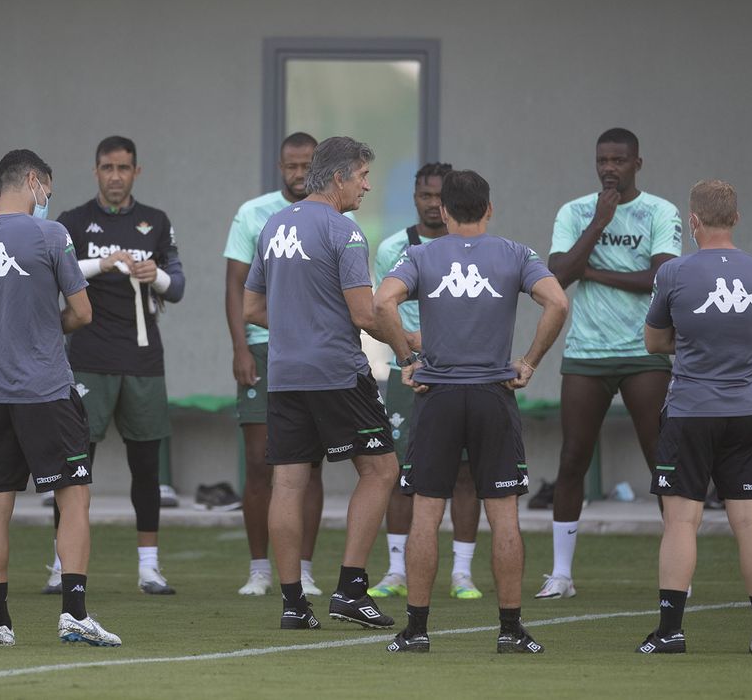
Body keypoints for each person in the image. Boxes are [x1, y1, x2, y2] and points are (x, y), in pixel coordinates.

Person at [373, 169, 568, 654]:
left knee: (425, 513)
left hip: (436, 396)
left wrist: (406, 359)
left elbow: (382, 301)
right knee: (503, 515)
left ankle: (416, 632)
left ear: (442, 211)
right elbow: (558, 303)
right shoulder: (516, 254)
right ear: (489, 209)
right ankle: (510, 630)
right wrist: (528, 362)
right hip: (491, 394)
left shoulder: (420, 254)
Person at [0, 148, 120, 648]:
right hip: (46, 389)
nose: (48, 198)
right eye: (47, 188)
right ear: (32, 180)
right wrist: (54, 325)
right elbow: (82, 312)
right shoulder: (52, 234)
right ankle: (73, 613)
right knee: (74, 497)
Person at [243, 135, 400, 631]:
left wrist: (297, 326)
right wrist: (408, 344)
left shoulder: (273, 226)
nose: (367, 186)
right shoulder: (345, 231)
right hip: (336, 372)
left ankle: (293, 605)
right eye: (363, 176)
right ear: (339, 178)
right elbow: (364, 313)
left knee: (287, 483)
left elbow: (250, 308)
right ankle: (352, 589)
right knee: (380, 471)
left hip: (285, 375)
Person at [637, 179, 752, 655]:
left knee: (681, 523)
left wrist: (692, 343)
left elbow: (655, 342)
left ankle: (671, 631)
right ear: (736, 218)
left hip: (691, 411)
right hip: (744, 411)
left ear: (692, 221)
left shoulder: (674, 273)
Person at [541, 127, 680, 600]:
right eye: (602, 160)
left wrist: (593, 271)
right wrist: (598, 224)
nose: (609, 168)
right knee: (572, 459)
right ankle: (561, 573)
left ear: (637, 163)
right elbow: (557, 275)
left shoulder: (659, 211)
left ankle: (676, 570)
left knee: (661, 459)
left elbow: (660, 276)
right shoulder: (576, 211)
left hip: (645, 351)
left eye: (619, 160)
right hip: (586, 353)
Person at [55, 136, 185, 595]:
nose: (115, 176)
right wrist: (103, 264)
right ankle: (60, 565)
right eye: (107, 167)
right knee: (74, 466)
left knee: (146, 467)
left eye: (123, 168)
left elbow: (179, 285)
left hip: (143, 360)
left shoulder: (156, 221)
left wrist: (157, 275)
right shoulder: (72, 221)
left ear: (136, 171)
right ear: (95, 171)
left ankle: (149, 567)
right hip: (88, 357)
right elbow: (59, 272)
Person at [369, 162, 485, 603]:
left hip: (463, 371)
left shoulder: (473, 247)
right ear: (414, 197)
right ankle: (397, 569)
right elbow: (382, 311)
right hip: (410, 370)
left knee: (464, 473)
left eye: (441, 197)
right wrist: (407, 350)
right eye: (425, 196)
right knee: (400, 471)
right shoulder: (395, 248)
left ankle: (461, 573)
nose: (433, 205)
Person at [224, 132, 326, 597]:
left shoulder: (333, 213)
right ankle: (259, 568)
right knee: (260, 463)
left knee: (312, 467)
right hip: (265, 348)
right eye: (291, 166)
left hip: (315, 349)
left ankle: (303, 568)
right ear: (280, 165)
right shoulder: (253, 213)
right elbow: (235, 286)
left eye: (307, 165)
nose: (299, 174)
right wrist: (241, 348)